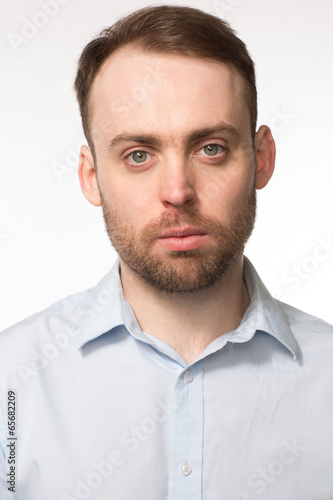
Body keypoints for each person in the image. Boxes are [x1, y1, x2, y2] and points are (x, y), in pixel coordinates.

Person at [0, 5, 332, 500]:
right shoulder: (12, 382)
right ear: (91, 176)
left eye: (211, 148)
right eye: (139, 155)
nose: (177, 191)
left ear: (261, 160)